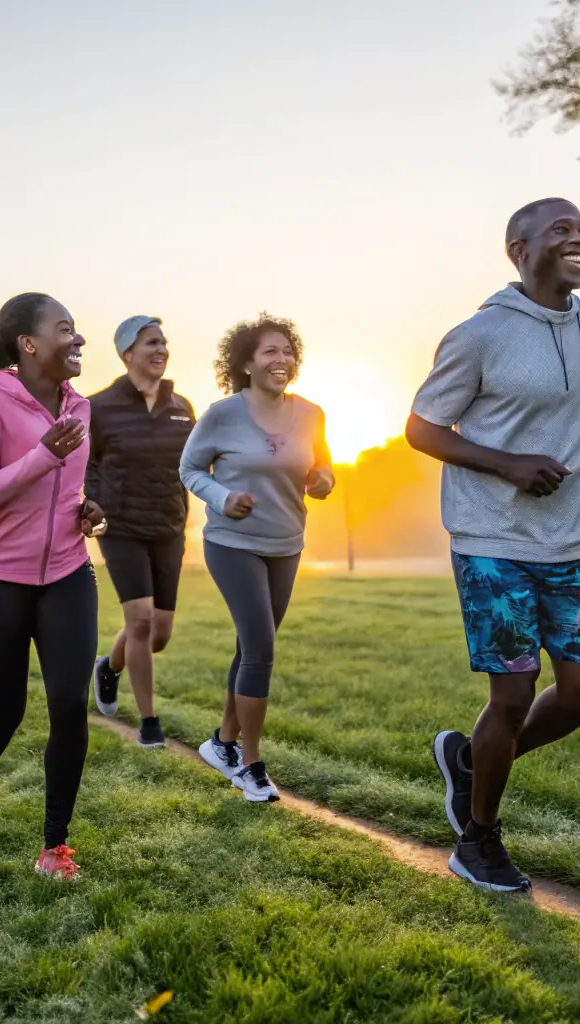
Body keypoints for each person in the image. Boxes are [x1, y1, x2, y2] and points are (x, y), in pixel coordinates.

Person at [406, 199, 580, 892]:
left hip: (572, 545)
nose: (578, 239)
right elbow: (422, 430)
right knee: (512, 695)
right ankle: (478, 840)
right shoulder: (478, 335)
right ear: (519, 249)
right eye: (561, 230)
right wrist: (507, 463)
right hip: (491, 541)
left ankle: (469, 760)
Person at [0, 292, 108, 880]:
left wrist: (87, 509)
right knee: (6, 710)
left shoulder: (80, 407)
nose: (78, 340)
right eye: (66, 329)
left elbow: (64, 491)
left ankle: (54, 847)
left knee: (69, 704)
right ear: (29, 344)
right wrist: (41, 457)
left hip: (68, 571)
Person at [180, 314, 333, 802]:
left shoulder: (311, 414)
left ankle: (221, 742)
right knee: (261, 648)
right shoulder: (223, 414)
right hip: (232, 542)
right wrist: (223, 497)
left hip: (286, 543)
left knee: (251, 648)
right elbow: (189, 468)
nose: (281, 359)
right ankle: (250, 764)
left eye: (287, 350)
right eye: (269, 351)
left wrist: (324, 480)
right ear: (246, 363)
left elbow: (322, 465)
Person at [86, 316, 196, 748]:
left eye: (164, 342)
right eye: (152, 342)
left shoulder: (181, 407)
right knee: (140, 620)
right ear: (127, 352)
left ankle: (108, 668)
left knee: (160, 634)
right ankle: (149, 723)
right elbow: (87, 465)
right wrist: (94, 506)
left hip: (168, 526)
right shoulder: (99, 406)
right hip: (121, 526)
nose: (161, 349)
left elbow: (195, 461)